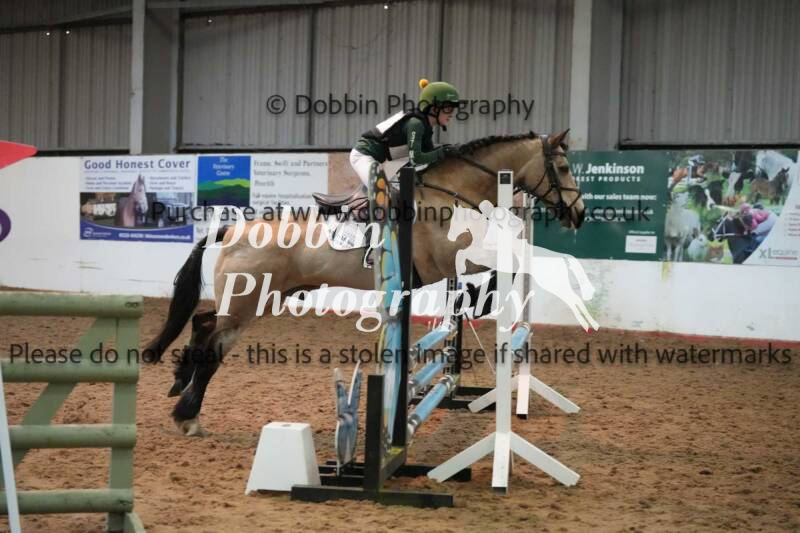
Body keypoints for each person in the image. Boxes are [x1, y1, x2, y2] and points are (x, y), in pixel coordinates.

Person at [350, 79, 463, 187]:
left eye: (453, 109)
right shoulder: (416, 124)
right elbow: (416, 159)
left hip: (379, 160)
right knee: (382, 191)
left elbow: (428, 157)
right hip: (363, 155)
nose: (451, 114)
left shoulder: (426, 128)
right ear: (434, 109)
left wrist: (448, 150)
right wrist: (443, 152)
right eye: (448, 109)